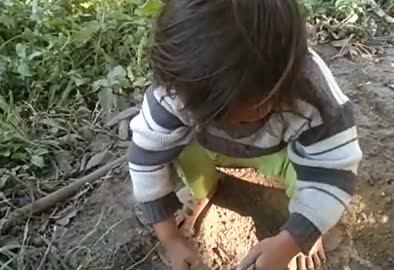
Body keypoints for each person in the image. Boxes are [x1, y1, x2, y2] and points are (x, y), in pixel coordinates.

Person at [127, 0, 363, 269]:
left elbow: (332, 174)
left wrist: (294, 239)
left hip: (279, 155)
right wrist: (170, 239)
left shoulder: (316, 98)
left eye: (237, 117)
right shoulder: (176, 89)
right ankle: (203, 189)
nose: (227, 127)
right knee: (173, 146)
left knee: (314, 174)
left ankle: (305, 225)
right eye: (209, 115)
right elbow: (146, 159)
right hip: (207, 150)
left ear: (280, 87)